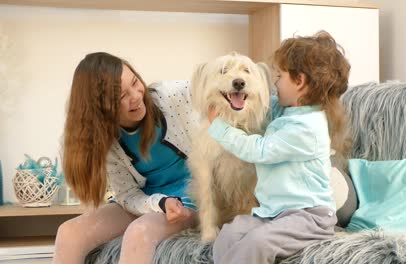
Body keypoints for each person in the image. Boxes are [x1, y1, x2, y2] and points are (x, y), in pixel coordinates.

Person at [207, 31, 351, 264]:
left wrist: (220, 128)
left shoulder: (307, 128)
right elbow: (264, 105)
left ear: (300, 82)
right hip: (273, 213)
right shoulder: (289, 109)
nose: (274, 82)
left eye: (279, 76)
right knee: (230, 233)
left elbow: (259, 150)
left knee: (259, 243)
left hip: (309, 218)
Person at [53, 52, 198, 264]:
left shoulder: (171, 96)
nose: (136, 96)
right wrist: (160, 202)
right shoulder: (107, 140)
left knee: (140, 232)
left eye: (135, 82)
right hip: (152, 200)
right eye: (121, 96)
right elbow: (128, 195)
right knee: (69, 233)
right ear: (101, 109)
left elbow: (214, 86)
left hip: (194, 196)